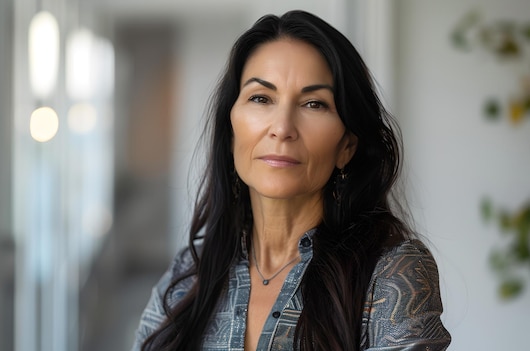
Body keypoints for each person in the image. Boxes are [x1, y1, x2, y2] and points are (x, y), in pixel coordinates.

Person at [132, 10, 451, 351]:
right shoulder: (188, 277)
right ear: (230, 133)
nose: (282, 128)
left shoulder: (389, 275)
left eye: (314, 104)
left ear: (346, 146)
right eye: (260, 98)